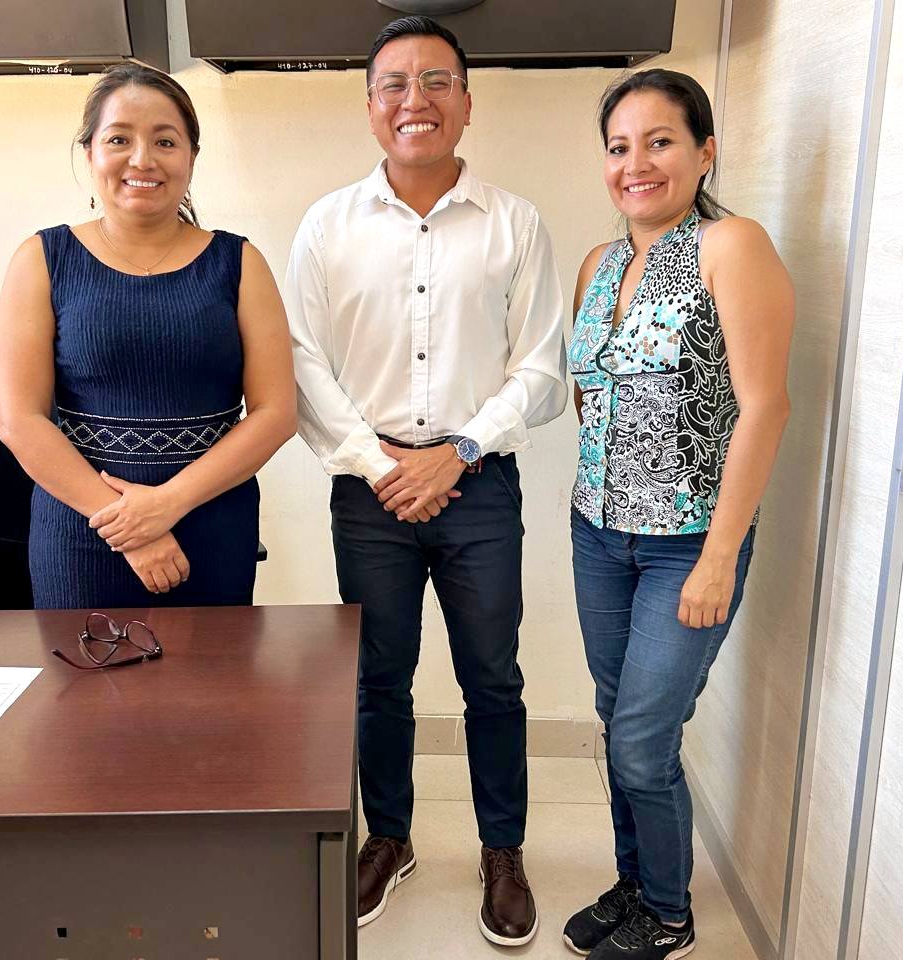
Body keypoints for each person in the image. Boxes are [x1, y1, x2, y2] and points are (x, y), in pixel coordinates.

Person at [285, 15, 566, 947]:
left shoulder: (515, 222)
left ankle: (502, 851)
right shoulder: (327, 225)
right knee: (378, 678)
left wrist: (458, 453)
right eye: (396, 84)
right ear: (371, 107)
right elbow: (303, 363)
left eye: (438, 81)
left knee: (494, 678)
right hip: (368, 493)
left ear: (468, 104)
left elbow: (542, 368)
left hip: (478, 485)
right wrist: (382, 466)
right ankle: (390, 839)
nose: (418, 99)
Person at [563, 69, 794, 960]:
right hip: (597, 533)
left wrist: (719, 555)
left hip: (688, 545)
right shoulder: (599, 264)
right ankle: (634, 885)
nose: (637, 164)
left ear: (705, 152)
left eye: (660, 141)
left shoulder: (730, 245)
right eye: (619, 147)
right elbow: (592, 393)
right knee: (616, 718)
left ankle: (668, 912)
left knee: (642, 739)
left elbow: (765, 407)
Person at [0, 64, 296, 610]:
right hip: (82, 533)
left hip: (212, 527)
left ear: (191, 157)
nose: (142, 159)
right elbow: (19, 420)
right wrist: (132, 527)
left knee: (212, 668)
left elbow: (276, 414)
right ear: (89, 153)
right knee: (80, 668)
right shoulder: (42, 259)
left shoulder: (239, 262)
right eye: (119, 139)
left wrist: (166, 505)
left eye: (165, 141)